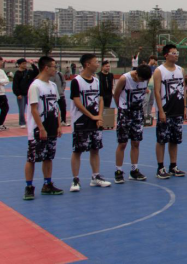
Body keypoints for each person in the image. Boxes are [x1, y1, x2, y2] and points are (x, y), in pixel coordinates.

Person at [23, 57, 63, 200]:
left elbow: (56, 106)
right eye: (53, 66)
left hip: (51, 126)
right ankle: (29, 187)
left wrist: (58, 125)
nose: (55, 69)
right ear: (46, 68)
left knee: (48, 157)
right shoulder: (35, 86)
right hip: (38, 128)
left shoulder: (52, 85)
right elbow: (34, 109)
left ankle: (47, 184)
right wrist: (41, 128)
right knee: (32, 158)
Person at [69, 53, 111, 192]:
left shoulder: (97, 81)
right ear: (87, 64)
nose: (98, 64)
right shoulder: (76, 81)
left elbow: (100, 99)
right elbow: (77, 102)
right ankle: (75, 179)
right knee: (78, 150)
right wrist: (91, 116)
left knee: (95, 149)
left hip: (95, 120)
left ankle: (95, 177)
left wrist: (99, 116)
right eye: (95, 62)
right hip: (81, 121)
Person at [153, 44, 187, 179]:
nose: (176, 55)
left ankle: (173, 166)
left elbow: (183, 89)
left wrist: (184, 107)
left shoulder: (180, 70)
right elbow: (156, 91)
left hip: (177, 110)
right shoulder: (159, 71)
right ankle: (160, 167)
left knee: (175, 140)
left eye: (177, 53)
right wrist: (160, 111)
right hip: (165, 110)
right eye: (173, 53)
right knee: (162, 140)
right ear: (166, 55)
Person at [113, 64, 152, 183]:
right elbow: (116, 94)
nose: (142, 81)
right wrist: (121, 108)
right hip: (125, 112)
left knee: (136, 142)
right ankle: (118, 171)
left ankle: (134, 170)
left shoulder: (145, 79)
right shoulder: (124, 79)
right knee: (122, 143)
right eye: (141, 79)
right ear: (136, 74)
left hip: (138, 113)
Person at [13, 58, 31, 128]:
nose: (25, 65)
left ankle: (31, 121)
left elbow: (36, 72)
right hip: (21, 94)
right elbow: (15, 85)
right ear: (19, 65)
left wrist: (33, 64)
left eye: (25, 63)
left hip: (29, 94)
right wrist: (18, 94)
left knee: (32, 108)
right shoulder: (17, 74)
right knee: (21, 109)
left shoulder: (28, 72)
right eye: (23, 63)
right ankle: (22, 122)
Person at [0, 57, 10, 131]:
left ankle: (0, 124)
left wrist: (1, 81)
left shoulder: (2, 71)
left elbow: (7, 80)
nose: (2, 63)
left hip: (2, 94)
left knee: (5, 108)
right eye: (1, 61)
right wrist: (2, 81)